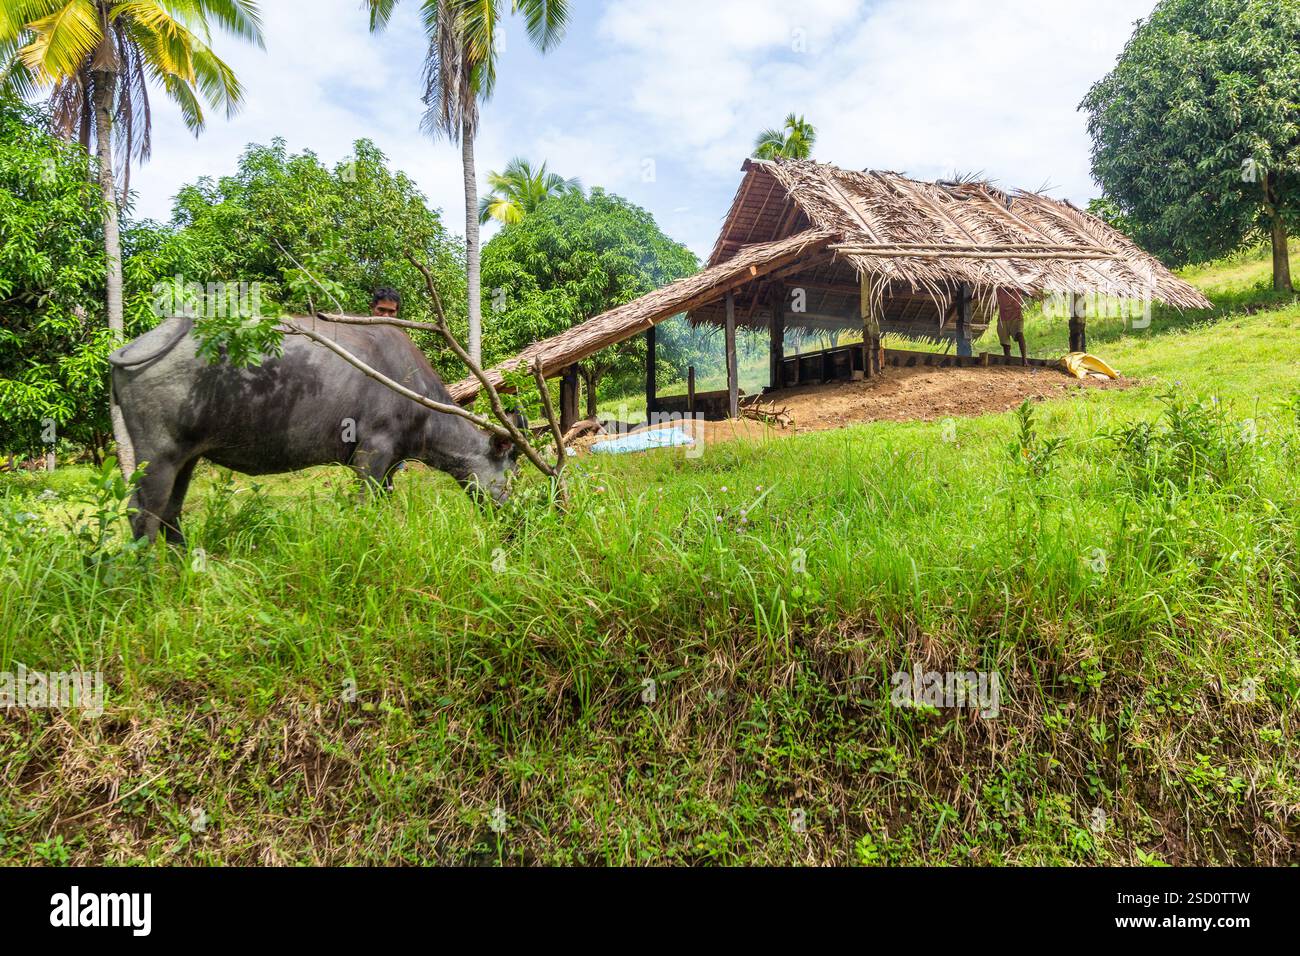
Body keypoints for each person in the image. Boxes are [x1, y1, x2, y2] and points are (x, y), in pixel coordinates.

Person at [996, 288, 1028, 365]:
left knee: (1020, 334)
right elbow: (988, 292)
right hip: (1003, 319)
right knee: (1005, 343)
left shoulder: (1019, 289)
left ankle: (1024, 360)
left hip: (1016, 318)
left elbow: (1030, 293)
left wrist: (1036, 295)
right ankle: (1008, 360)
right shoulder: (999, 290)